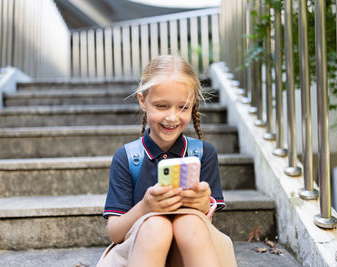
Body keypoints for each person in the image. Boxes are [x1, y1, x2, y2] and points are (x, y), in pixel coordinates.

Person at [96, 55, 236, 267]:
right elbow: (115, 233)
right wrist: (145, 207)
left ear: (193, 105)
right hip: (143, 249)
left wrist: (200, 203)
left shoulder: (202, 154)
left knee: (189, 222)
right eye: (162, 106)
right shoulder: (127, 158)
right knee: (156, 227)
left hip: (187, 253)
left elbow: (201, 229)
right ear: (143, 101)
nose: (172, 117)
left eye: (182, 107)